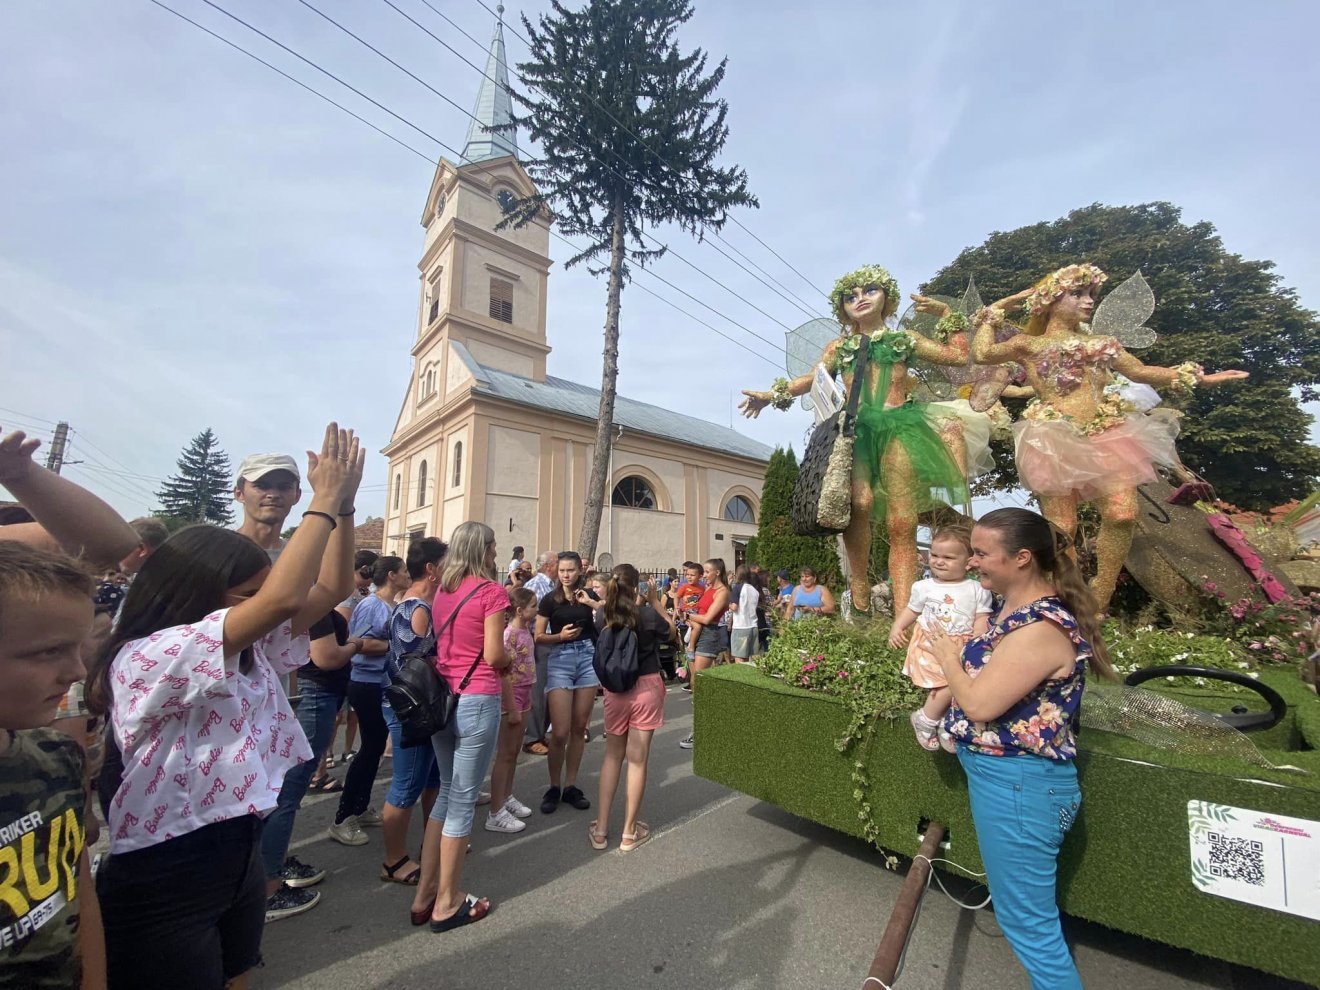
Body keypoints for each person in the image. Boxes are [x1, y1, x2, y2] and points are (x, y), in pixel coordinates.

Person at [90, 424, 362, 990]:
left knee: (237, 971)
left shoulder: (245, 648)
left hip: (236, 845)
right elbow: (283, 599)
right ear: (195, 589)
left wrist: (344, 506)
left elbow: (331, 588)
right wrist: (322, 501)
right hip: (168, 865)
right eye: (247, 597)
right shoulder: (153, 654)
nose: (262, 609)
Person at [971, 264, 1248, 610]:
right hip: (1051, 438)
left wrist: (1198, 377)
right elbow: (982, 353)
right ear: (1050, 301)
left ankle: (1102, 589)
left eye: (1091, 294)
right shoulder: (1028, 344)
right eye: (1077, 294)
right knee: (1062, 528)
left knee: (1122, 514)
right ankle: (1070, 595)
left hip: (1106, 436)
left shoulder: (1102, 344)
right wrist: (992, 315)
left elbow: (1140, 371)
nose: (1088, 301)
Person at [926, 507, 1115, 990]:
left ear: (1022, 558)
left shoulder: (1039, 628)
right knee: (1027, 920)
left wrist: (948, 657)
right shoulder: (1013, 611)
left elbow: (980, 703)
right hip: (1009, 785)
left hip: (1019, 789)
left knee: (1029, 926)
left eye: (982, 553)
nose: (972, 562)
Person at [741, 267, 988, 616]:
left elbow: (957, 357)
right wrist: (770, 395)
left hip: (902, 426)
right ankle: (859, 583)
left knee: (902, 521)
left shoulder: (904, 339)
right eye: (851, 296)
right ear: (843, 308)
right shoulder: (839, 346)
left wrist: (949, 316)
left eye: (870, 290)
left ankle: (904, 612)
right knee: (860, 501)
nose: (860, 299)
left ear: (886, 297)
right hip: (857, 431)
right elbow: (813, 378)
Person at [0, 542, 107, 990]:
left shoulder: (57, 754)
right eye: (49, 652)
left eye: (78, 648)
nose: (77, 671)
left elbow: (78, 897)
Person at [410, 522, 510, 932]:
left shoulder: (443, 591)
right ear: (483, 550)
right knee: (463, 800)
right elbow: (494, 654)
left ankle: (425, 893)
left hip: (443, 697)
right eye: (493, 547)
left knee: (448, 793)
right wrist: (511, 661)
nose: (496, 553)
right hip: (477, 697)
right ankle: (448, 901)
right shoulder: (491, 592)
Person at [589, 564, 677, 852]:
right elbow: (671, 633)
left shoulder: (603, 614)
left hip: (616, 690)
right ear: (636, 586)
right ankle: (629, 832)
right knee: (637, 761)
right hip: (646, 687)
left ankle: (601, 829)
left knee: (612, 756)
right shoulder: (648, 615)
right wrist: (654, 601)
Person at [377, 538, 447, 885]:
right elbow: (415, 664)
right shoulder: (417, 609)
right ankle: (394, 860)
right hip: (411, 709)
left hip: (420, 707)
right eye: (446, 563)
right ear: (431, 570)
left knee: (431, 779)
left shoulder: (416, 604)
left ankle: (431, 843)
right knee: (406, 785)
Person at [887, 527, 992, 752]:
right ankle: (926, 719)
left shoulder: (977, 588)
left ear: (968, 562)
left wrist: (977, 641)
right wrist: (897, 627)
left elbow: (981, 618)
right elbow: (912, 610)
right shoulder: (924, 587)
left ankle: (948, 722)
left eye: (948, 557)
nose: (939, 561)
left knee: (963, 683)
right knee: (948, 683)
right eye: (935, 555)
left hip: (963, 644)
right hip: (931, 644)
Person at [329, 556, 408, 846]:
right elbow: (358, 643)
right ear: (391, 575)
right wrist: (396, 645)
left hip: (382, 683)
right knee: (370, 748)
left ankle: (360, 808)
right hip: (365, 682)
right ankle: (343, 817)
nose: (408, 576)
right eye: (404, 572)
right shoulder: (371, 605)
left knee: (374, 748)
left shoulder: (392, 605)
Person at [535, 551, 599, 814]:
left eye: (570, 570)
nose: (565, 575)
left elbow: (611, 615)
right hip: (560, 658)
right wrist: (559, 637)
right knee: (559, 732)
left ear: (579, 571)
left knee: (579, 728)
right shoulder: (550, 600)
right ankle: (553, 786)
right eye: (562, 570)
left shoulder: (588, 595)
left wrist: (591, 602)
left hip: (587, 657)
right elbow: (538, 636)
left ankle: (570, 785)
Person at [486, 587, 537, 834]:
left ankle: (507, 796)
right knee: (506, 753)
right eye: (533, 606)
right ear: (519, 610)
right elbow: (504, 673)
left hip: (524, 692)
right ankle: (495, 809)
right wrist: (513, 707)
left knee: (514, 751)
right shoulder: (507, 635)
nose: (537, 610)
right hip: (512, 694)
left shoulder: (526, 630)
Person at [327, 550, 377, 771]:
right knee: (337, 715)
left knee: (352, 715)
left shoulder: (359, 593)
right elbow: (344, 629)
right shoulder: (347, 595)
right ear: (365, 569)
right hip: (347, 658)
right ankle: (328, 754)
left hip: (353, 659)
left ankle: (347, 750)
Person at [678, 558, 731, 751]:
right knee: (695, 684)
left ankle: (701, 730)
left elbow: (708, 618)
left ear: (717, 572)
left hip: (709, 635)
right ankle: (703, 727)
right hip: (697, 632)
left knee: (699, 683)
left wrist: (688, 616)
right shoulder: (708, 589)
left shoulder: (723, 592)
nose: (704, 575)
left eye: (707, 572)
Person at [521, 552, 556, 755]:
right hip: (539, 642)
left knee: (548, 692)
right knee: (537, 691)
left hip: (553, 642)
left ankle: (540, 734)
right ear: (549, 566)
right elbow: (524, 614)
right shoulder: (535, 585)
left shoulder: (552, 585)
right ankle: (532, 737)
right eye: (558, 563)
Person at [728, 564, 762, 663]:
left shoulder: (737, 588)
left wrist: (727, 604)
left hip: (741, 626)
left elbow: (734, 607)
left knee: (739, 657)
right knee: (749, 658)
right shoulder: (754, 590)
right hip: (753, 626)